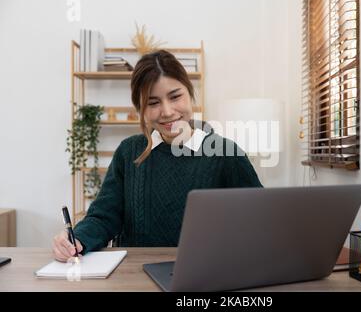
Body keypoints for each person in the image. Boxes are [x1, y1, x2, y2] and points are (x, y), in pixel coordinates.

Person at [53, 50, 263, 262]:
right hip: (135, 275)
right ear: (140, 109)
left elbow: (260, 221)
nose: (167, 111)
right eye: (153, 103)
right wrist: (77, 238)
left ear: (189, 93)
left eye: (175, 96)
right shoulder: (129, 152)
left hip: (203, 273)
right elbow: (103, 217)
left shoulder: (227, 154)